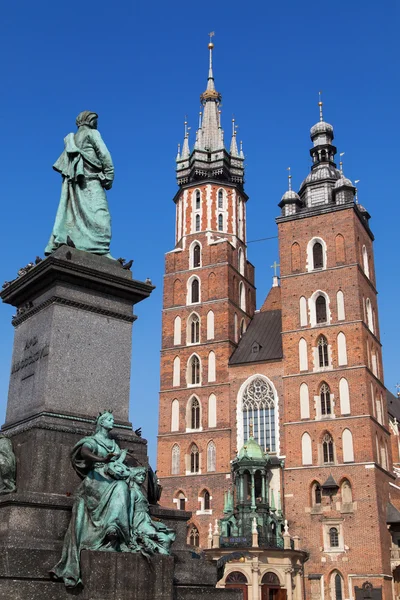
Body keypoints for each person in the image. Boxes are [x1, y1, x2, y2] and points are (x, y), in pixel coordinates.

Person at [50, 411, 132, 588]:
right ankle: (108, 530)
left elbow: (119, 461)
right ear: (101, 423)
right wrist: (102, 459)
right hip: (97, 479)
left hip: (113, 477)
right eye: (109, 419)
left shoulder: (114, 444)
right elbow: (85, 452)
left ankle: (114, 529)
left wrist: (122, 458)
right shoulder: (92, 441)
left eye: (112, 419)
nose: (112, 422)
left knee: (123, 487)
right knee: (119, 488)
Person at [45, 111, 114, 258]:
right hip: (91, 180)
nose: (96, 123)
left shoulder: (73, 139)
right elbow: (104, 154)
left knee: (74, 215)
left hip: (76, 184)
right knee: (101, 215)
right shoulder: (92, 133)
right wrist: (109, 175)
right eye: (95, 120)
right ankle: (101, 248)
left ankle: (82, 245)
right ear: (89, 121)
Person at [129, 467, 176, 555]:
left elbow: (145, 510)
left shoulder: (140, 492)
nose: (142, 477)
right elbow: (130, 510)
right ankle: (161, 554)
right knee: (165, 539)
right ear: (133, 477)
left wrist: (155, 519)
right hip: (139, 521)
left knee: (169, 533)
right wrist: (131, 527)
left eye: (143, 475)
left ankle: (161, 554)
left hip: (146, 520)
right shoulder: (133, 492)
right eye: (139, 475)